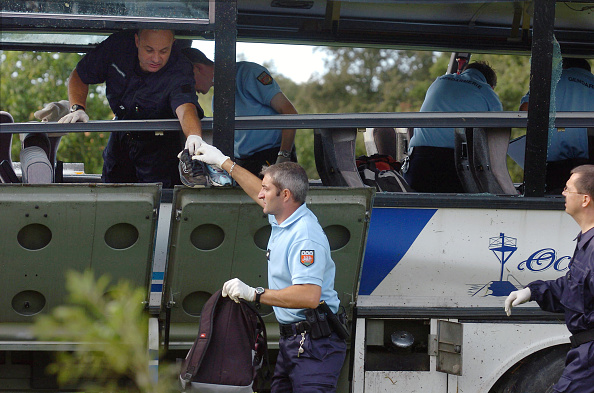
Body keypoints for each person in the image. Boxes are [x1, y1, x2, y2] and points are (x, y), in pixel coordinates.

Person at [191, 141, 346, 392]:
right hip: (294, 342)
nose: (260, 194)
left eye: (267, 189)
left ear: (285, 195)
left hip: (315, 346)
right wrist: (223, 162)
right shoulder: (284, 216)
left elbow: (309, 295)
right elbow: (256, 191)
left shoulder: (305, 235)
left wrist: (256, 293)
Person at [54, 29, 205, 188]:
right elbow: (80, 74)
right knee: (112, 193)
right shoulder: (116, 47)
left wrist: (194, 136)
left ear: (173, 44)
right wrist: (77, 108)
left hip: (160, 146)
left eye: (163, 51)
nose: (156, 58)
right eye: (149, 50)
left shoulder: (180, 68)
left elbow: (186, 107)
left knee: (161, 199)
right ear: (137, 41)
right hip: (121, 135)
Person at [505, 165, 594, 393]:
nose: (563, 193)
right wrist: (531, 292)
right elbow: (575, 290)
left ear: (585, 200)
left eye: (568, 188)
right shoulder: (586, 241)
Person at [181, 47, 299, 176]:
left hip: (272, 157)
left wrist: (283, 157)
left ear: (197, 68)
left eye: (188, 81)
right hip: (242, 164)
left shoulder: (249, 74)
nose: (190, 88)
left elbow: (289, 112)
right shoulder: (218, 99)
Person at [404, 61, 503, 193]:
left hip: (417, 164)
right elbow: (496, 145)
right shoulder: (488, 93)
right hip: (454, 168)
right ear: (490, 85)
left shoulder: (438, 82)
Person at [519, 58, 594, 194]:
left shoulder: (551, 81)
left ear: (564, 68)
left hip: (553, 162)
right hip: (588, 164)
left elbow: (525, 110)